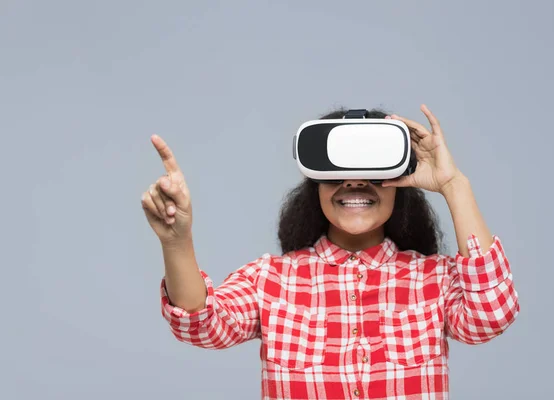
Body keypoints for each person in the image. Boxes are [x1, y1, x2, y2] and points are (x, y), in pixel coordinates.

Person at [141, 104, 519, 399]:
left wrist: (453, 184)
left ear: (399, 182)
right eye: (338, 170)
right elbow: (200, 325)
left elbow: (492, 315)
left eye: (371, 168)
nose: (354, 181)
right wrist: (176, 241)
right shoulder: (270, 280)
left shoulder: (434, 279)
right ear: (315, 184)